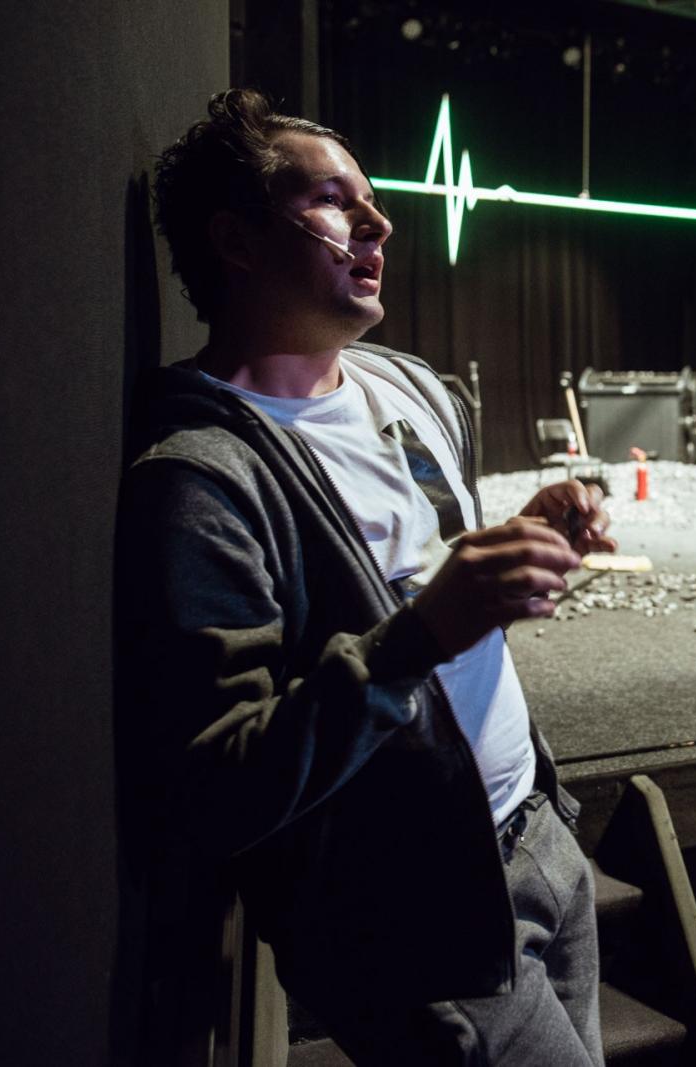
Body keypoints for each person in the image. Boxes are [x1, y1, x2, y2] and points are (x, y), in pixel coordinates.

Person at [115, 89, 615, 1066]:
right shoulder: (202, 479)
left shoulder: (412, 387)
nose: (378, 223)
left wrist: (519, 536)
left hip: (539, 832)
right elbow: (216, 787)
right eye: (333, 202)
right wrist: (419, 637)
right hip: (420, 915)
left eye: (374, 202)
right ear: (237, 241)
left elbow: (415, 566)